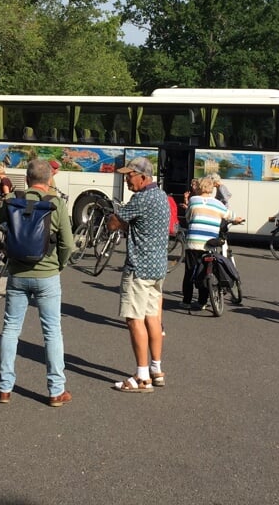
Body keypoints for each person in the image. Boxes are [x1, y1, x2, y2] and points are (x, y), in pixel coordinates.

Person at [0, 158, 75, 407]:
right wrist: (58, 265)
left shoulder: (11, 202)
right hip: (48, 276)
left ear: (27, 179)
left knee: (11, 329)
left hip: (18, 275)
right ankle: (55, 391)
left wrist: (3, 248)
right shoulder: (57, 204)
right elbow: (68, 244)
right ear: (49, 179)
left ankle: (4, 388)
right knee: (52, 332)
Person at [106, 157, 170, 392]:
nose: (126, 179)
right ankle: (156, 368)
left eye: (129, 175)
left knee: (134, 319)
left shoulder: (140, 199)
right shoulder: (162, 196)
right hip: (158, 268)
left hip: (139, 268)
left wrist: (117, 218)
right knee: (153, 317)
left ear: (143, 177)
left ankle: (142, 377)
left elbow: (114, 223)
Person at [184, 175, 243, 309]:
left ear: (199, 187)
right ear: (211, 189)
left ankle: (186, 301)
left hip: (193, 242)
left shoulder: (193, 200)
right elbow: (230, 215)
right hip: (210, 243)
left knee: (189, 271)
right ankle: (202, 302)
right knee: (206, 271)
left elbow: (188, 217)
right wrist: (237, 219)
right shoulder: (218, 204)